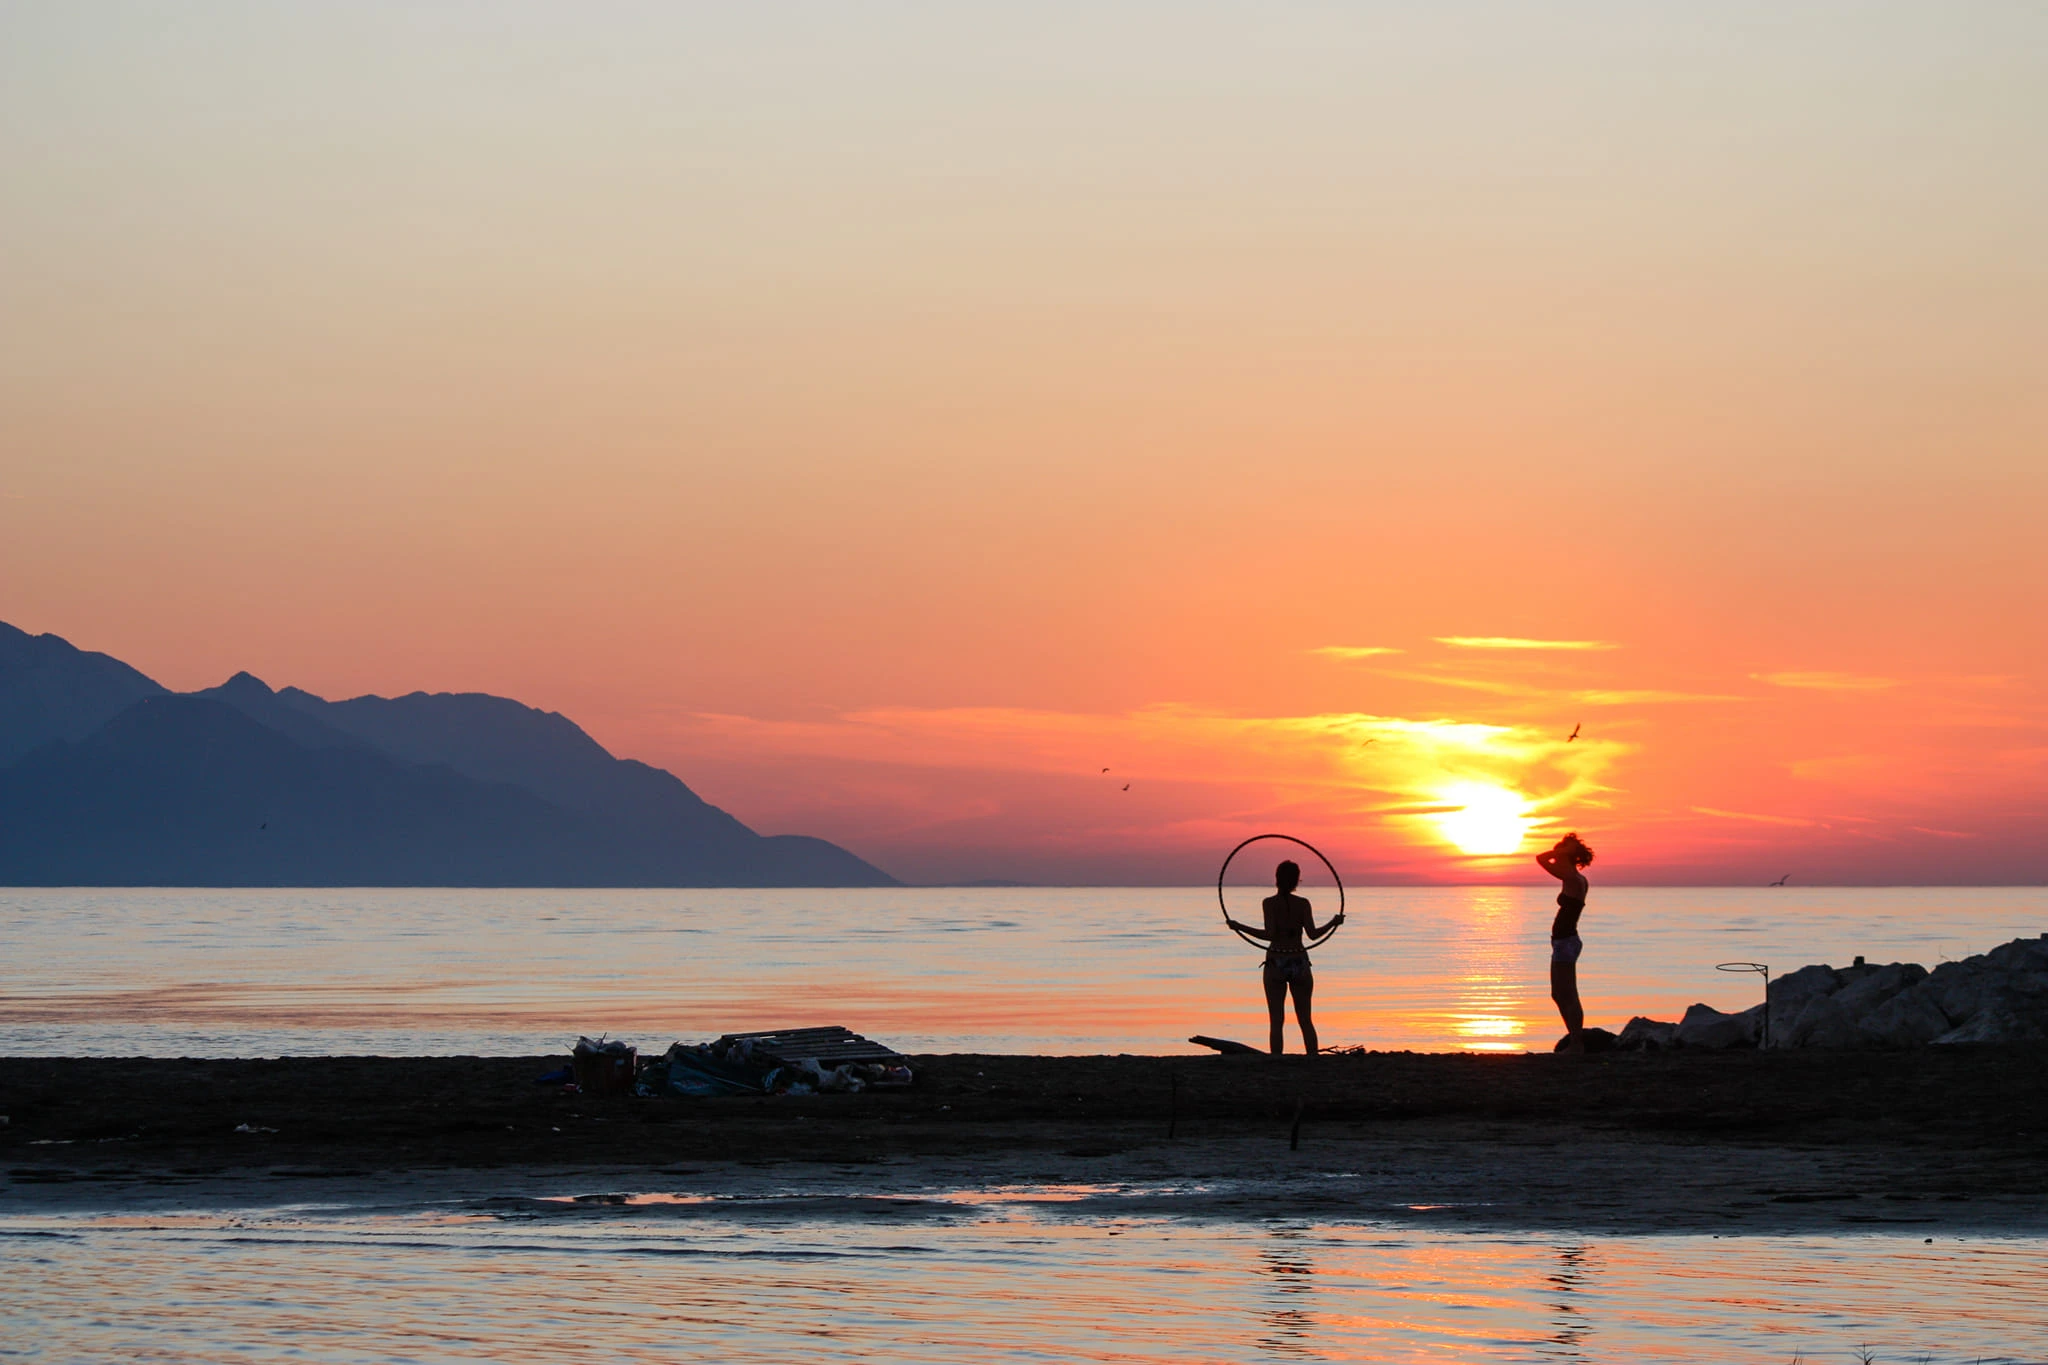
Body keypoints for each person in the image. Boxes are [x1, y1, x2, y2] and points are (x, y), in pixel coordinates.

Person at [1226, 860, 1343, 1055]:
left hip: (1276, 962)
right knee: (1305, 1018)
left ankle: (1276, 1061)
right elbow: (1313, 934)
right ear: (1297, 880)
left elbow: (1269, 934)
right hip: (1299, 960)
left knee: (1276, 1020)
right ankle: (1312, 1059)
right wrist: (1333, 922)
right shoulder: (1303, 904)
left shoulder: (1269, 903)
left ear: (1277, 879)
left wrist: (1239, 927)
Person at [1536, 832, 1596, 1050]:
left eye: (1563, 851)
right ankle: (1575, 1039)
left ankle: (1577, 1043)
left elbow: (1541, 858)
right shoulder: (1576, 878)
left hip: (1566, 942)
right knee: (1561, 993)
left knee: (1567, 993)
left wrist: (1560, 851)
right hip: (1565, 942)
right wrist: (1563, 852)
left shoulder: (1571, 877)